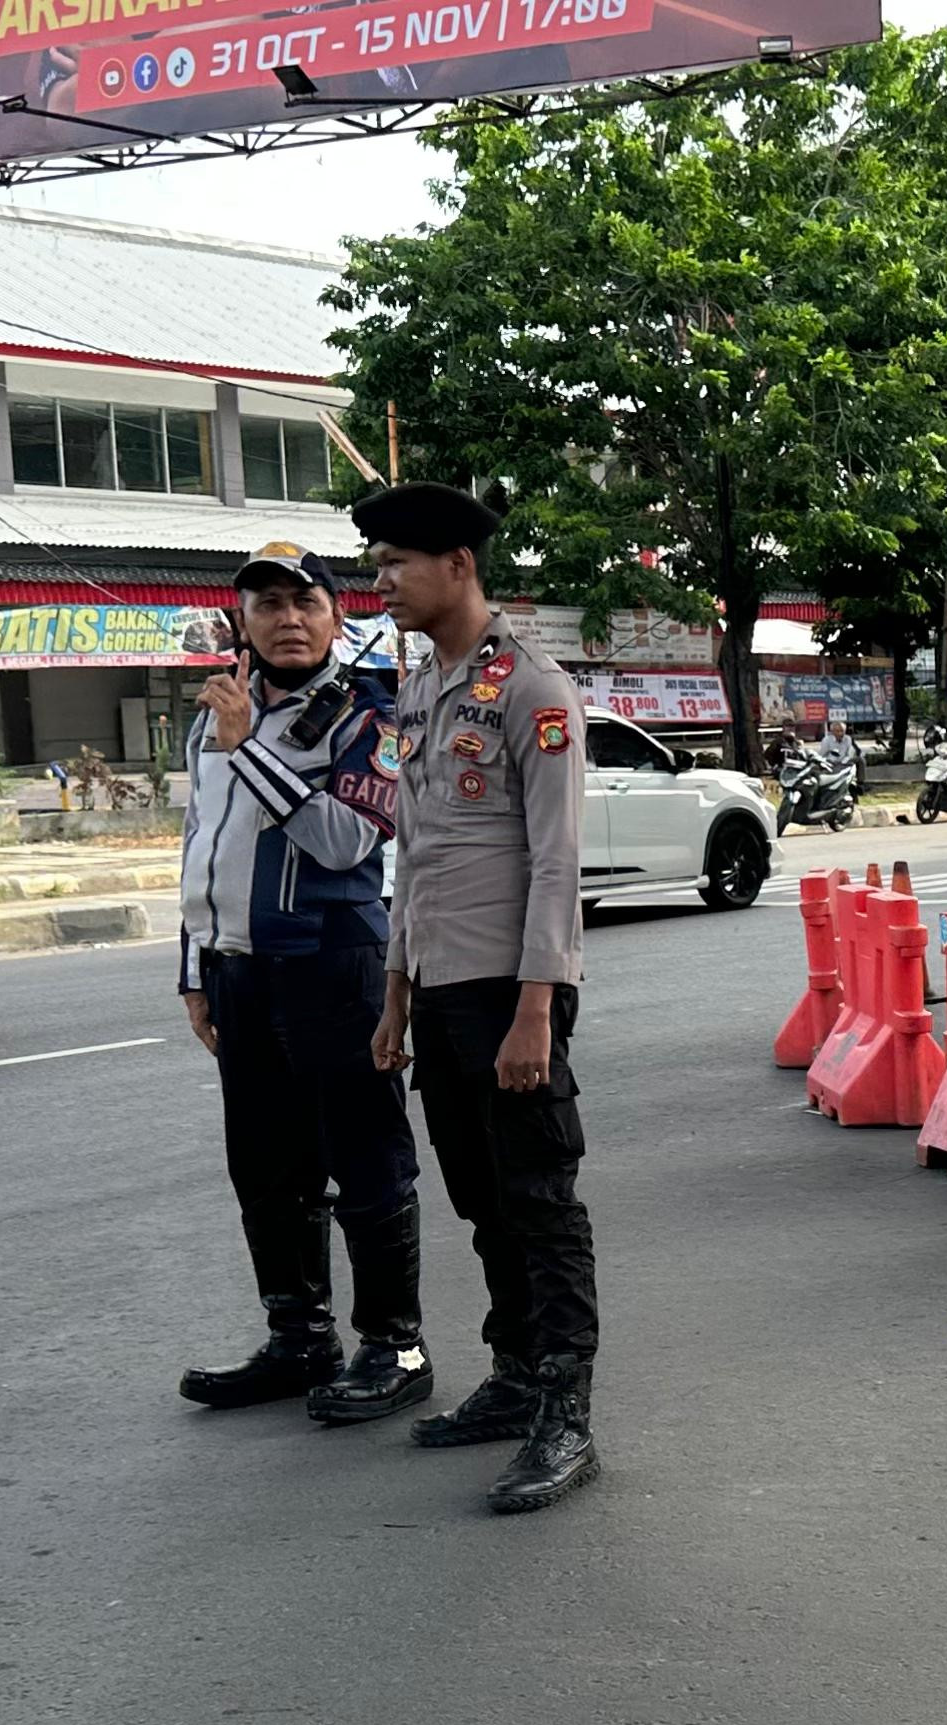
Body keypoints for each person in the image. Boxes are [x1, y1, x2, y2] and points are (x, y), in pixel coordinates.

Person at [360, 481, 605, 1516]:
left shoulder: (531, 691)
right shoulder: (421, 694)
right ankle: (513, 1376)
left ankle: (568, 1414)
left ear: (457, 564)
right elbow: (414, 856)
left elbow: (557, 864)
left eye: (394, 566)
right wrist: (396, 992)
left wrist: (537, 1011)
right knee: (480, 1200)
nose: (382, 585)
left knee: (540, 1203)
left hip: (515, 993)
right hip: (445, 992)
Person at [175, 540, 435, 1426]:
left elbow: (344, 844)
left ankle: (394, 1344)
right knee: (265, 1166)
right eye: (268, 604)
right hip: (239, 974)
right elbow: (200, 842)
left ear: (334, 617)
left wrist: (249, 749)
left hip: (335, 967)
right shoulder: (212, 714)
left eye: (305, 602)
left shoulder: (371, 718)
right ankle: (298, 1338)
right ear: (240, 621)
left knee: (365, 1159)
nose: (288, 618)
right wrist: (194, 968)